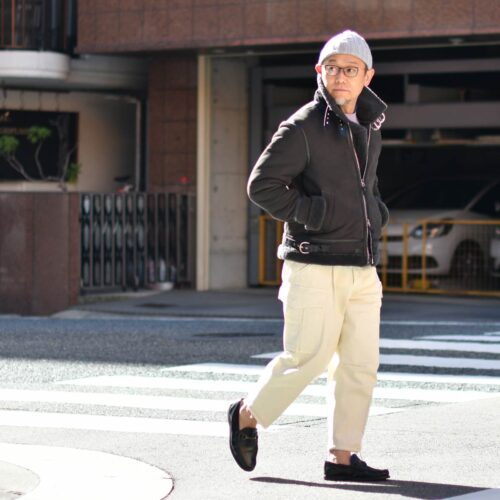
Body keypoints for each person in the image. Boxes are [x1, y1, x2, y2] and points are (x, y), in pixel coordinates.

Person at [228, 30, 390, 482]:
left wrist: (376, 214)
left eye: (350, 69)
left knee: (359, 366)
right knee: (307, 359)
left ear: (367, 76)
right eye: (332, 68)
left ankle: (343, 457)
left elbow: (367, 186)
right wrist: (314, 214)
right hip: (313, 264)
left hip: (362, 267)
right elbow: (261, 186)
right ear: (320, 72)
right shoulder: (303, 126)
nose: (340, 76)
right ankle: (246, 414)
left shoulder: (370, 125)